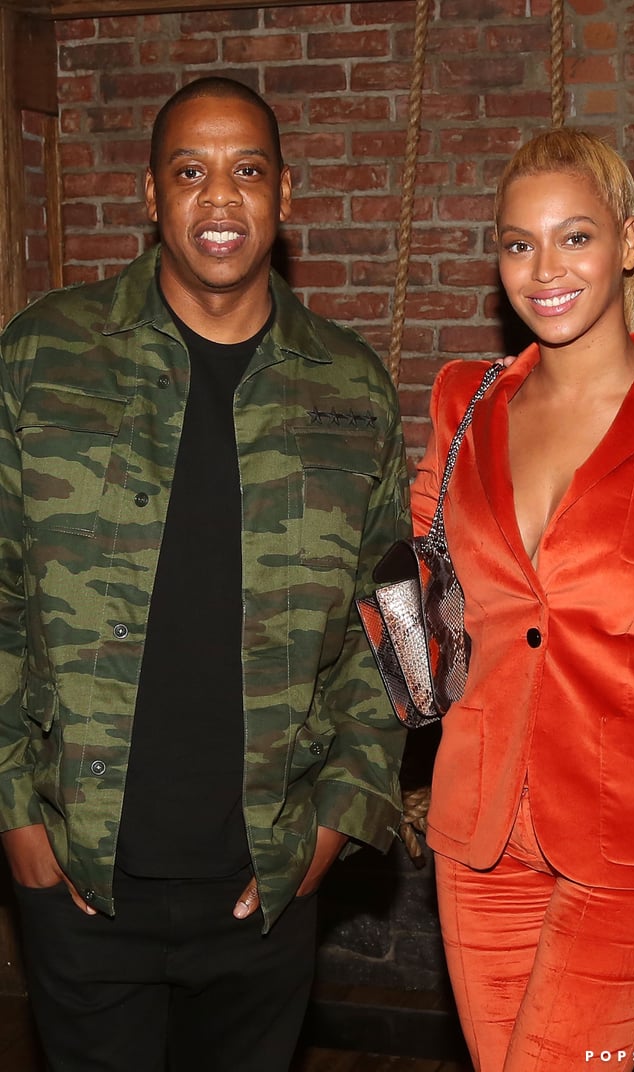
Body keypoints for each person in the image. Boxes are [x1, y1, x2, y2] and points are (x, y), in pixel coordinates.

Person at [0, 76, 409, 1072]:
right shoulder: (44, 356)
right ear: (151, 194)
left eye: (247, 171)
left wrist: (335, 821)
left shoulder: (352, 387)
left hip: (266, 883)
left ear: (284, 194)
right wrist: (16, 818)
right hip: (79, 875)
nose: (218, 197)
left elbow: (393, 624)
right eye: (189, 172)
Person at [410, 128, 634, 1072]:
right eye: (519, 243)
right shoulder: (464, 403)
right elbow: (434, 593)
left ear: (627, 242)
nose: (544, 269)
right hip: (479, 833)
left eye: (575, 237)